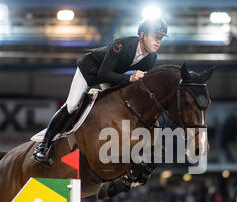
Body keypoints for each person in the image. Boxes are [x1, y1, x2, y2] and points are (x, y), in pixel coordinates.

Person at [32, 17, 168, 165]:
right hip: (90, 70)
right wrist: (130, 79)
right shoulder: (122, 45)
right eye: (156, 37)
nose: (158, 41)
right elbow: (103, 75)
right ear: (142, 35)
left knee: (120, 107)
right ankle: (43, 146)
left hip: (112, 76)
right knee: (71, 106)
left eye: (161, 38)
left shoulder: (151, 58)